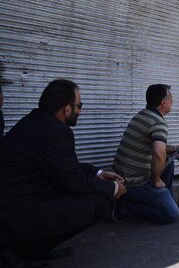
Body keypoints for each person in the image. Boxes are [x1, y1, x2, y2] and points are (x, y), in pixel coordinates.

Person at [0, 79, 127, 267]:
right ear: (67, 109)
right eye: (79, 106)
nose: (80, 111)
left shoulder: (35, 120)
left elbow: (64, 167)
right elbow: (75, 181)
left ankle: (31, 250)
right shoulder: (55, 131)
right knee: (99, 203)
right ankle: (27, 252)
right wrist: (113, 188)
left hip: (16, 200)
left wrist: (98, 172)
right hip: (15, 211)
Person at [112, 84, 179, 224]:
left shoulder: (142, 115)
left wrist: (175, 149)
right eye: (171, 97)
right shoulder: (159, 123)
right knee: (172, 214)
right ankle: (126, 207)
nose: (173, 100)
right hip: (133, 183)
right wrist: (156, 180)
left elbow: (156, 147)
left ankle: (165, 200)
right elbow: (158, 153)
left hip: (122, 176)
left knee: (169, 161)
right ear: (164, 102)